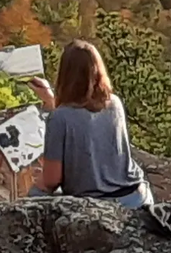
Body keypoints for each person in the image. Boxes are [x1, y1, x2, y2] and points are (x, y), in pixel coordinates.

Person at [27, 40, 154, 209]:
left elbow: (51, 181)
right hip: (137, 197)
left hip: (99, 204)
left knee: (34, 197)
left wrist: (34, 185)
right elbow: (83, 120)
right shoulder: (114, 103)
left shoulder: (59, 118)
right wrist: (52, 102)